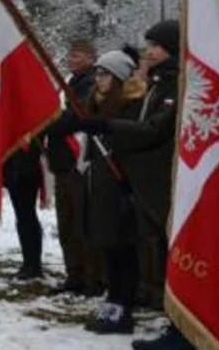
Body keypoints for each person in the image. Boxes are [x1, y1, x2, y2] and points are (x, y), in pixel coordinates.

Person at [72, 21, 187, 349]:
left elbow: (154, 130)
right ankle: (173, 324)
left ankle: (179, 327)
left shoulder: (174, 85)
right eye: (148, 45)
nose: (149, 51)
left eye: (157, 46)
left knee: (165, 256)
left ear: (173, 49)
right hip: (143, 182)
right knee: (157, 254)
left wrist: (107, 125)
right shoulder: (157, 83)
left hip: (160, 183)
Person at [60, 49, 145, 334]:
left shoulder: (132, 102)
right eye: (97, 73)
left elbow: (137, 133)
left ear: (119, 76)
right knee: (108, 243)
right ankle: (113, 298)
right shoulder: (92, 102)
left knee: (124, 246)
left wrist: (104, 128)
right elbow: (77, 121)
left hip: (122, 181)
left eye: (105, 73)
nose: (98, 78)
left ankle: (124, 304)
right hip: (98, 181)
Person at [44, 39, 101, 295]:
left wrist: (48, 121)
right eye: (70, 54)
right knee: (66, 222)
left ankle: (90, 277)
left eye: (78, 55)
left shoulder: (90, 83)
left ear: (90, 57)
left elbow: (76, 118)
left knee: (80, 222)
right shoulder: (72, 81)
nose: (72, 59)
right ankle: (74, 274)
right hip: (62, 162)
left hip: (76, 163)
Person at [3, 140, 44, 280]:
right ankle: (28, 262)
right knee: (22, 218)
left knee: (27, 217)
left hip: (27, 171)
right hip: (14, 169)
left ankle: (33, 264)